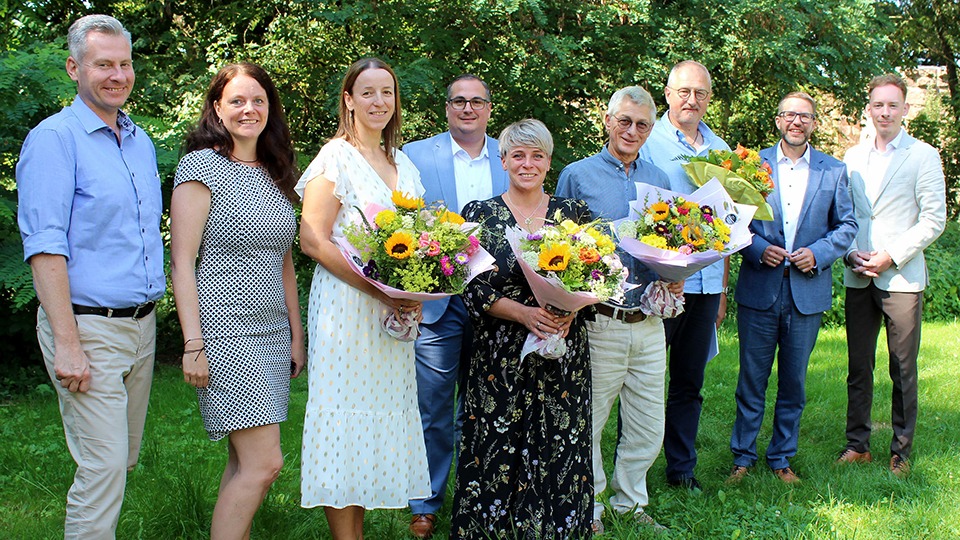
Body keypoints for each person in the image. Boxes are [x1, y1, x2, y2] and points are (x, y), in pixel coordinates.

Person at [15, 14, 164, 539]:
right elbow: (46, 249)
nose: (117, 74)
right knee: (101, 469)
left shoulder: (138, 140)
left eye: (124, 64)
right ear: (74, 68)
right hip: (86, 327)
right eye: (103, 64)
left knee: (119, 461)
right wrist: (67, 344)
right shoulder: (54, 140)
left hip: (140, 328)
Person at [169, 63, 305, 537]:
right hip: (225, 332)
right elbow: (182, 262)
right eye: (238, 101)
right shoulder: (202, 166)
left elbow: (284, 260)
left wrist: (296, 334)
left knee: (243, 462)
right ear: (217, 109)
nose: (250, 109)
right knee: (265, 465)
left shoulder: (275, 170)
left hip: (271, 334)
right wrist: (193, 344)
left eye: (259, 100)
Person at [297, 57, 430, 539]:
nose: (379, 102)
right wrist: (377, 288)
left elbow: (418, 239)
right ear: (349, 100)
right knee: (344, 419)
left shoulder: (404, 163)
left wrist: (415, 286)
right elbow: (312, 239)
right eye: (368, 93)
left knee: (376, 419)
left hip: (393, 315)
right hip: (347, 308)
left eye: (387, 93)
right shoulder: (335, 157)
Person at [451, 119, 592, 539]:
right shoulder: (478, 215)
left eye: (537, 156)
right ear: (504, 160)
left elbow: (599, 275)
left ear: (549, 162)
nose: (527, 164)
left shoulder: (574, 215)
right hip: (500, 353)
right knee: (496, 445)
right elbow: (469, 285)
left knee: (560, 444)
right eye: (518, 155)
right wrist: (521, 313)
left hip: (563, 350)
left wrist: (570, 313)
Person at [556, 86, 679, 533]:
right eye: (624, 121)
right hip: (599, 320)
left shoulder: (660, 178)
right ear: (607, 121)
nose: (632, 130)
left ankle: (630, 504)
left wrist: (679, 268)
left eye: (642, 124)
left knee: (649, 424)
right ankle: (588, 508)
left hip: (648, 319)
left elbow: (672, 240)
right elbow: (558, 243)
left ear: (650, 129)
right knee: (589, 420)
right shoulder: (577, 174)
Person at [726, 92, 857, 485]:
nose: (796, 122)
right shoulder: (750, 167)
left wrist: (817, 253)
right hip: (760, 288)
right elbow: (731, 219)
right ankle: (742, 458)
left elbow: (847, 226)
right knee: (751, 378)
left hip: (807, 290)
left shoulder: (833, 171)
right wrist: (759, 249)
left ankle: (781, 458)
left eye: (805, 116)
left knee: (794, 382)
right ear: (778, 120)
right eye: (789, 115)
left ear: (814, 123)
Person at [402, 73, 509, 539]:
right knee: (433, 405)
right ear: (447, 108)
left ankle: (481, 491)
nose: (468, 109)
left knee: (487, 402)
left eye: (477, 102)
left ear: (489, 109)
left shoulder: (510, 158)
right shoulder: (416, 155)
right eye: (458, 102)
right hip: (438, 300)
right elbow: (399, 217)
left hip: (496, 299)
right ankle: (424, 502)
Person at [837, 73, 946, 477]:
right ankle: (857, 444)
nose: (884, 112)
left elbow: (935, 219)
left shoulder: (923, 156)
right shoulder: (851, 157)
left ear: (905, 109)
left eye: (892, 105)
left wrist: (890, 255)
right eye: (878, 105)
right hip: (858, 274)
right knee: (858, 366)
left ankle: (900, 449)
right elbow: (843, 216)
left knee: (902, 367)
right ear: (869, 109)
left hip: (900, 277)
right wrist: (849, 254)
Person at [638, 60, 730, 490]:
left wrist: (723, 286)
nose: (691, 100)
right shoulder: (648, 140)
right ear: (669, 94)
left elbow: (731, 223)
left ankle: (681, 470)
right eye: (684, 92)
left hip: (706, 283)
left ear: (709, 99)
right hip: (661, 279)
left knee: (689, 382)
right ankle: (634, 470)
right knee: (645, 381)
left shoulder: (723, 149)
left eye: (701, 93)